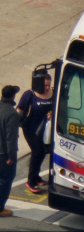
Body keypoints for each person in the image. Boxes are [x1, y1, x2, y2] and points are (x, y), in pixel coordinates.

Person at [17, 74, 53, 194]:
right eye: (44, 85)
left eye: (49, 85)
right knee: (37, 152)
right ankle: (30, 181)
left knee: (43, 151)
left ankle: (36, 177)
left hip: (46, 128)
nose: (47, 88)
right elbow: (20, 110)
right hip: (31, 129)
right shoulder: (30, 94)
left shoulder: (53, 93)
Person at [0, 85, 21, 217]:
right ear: (13, 96)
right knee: (5, 181)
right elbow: (11, 138)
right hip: (3, 155)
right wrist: (11, 157)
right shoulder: (12, 114)